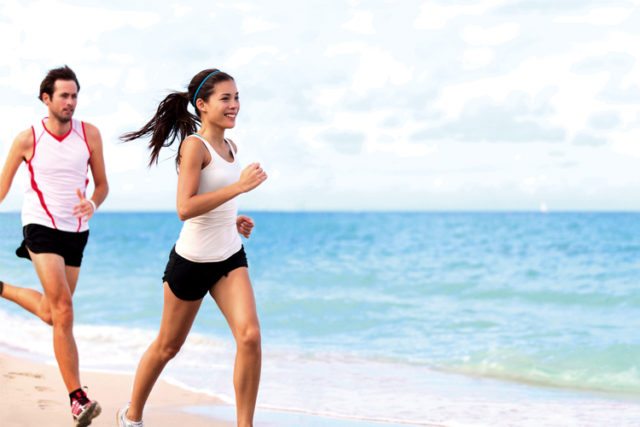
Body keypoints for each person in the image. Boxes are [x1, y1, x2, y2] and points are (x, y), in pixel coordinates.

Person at [117, 68, 267, 427]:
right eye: (225, 98)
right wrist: (239, 189)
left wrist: (232, 218)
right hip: (192, 262)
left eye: (236, 97)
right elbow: (185, 208)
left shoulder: (231, 146)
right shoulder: (193, 146)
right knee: (168, 346)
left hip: (229, 256)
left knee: (250, 336)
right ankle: (131, 416)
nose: (234, 105)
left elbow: (211, 202)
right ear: (202, 104)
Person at [0, 65, 109, 426]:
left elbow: (102, 186)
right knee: (64, 309)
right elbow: (1, 191)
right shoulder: (27, 139)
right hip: (40, 226)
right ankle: (78, 398)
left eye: (74, 95)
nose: (70, 102)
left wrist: (91, 204)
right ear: (46, 98)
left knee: (52, 313)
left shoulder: (89, 134)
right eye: (64, 95)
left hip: (76, 231)